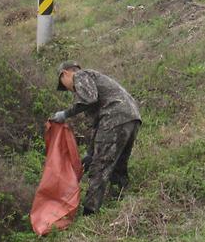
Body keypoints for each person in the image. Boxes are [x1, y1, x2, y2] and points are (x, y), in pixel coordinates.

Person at [51, 61, 141, 215]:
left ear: (65, 74)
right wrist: (90, 152)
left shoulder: (80, 75)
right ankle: (120, 201)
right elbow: (97, 124)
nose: (69, 90)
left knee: (99, 166)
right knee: (118, 163)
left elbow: (89, 100)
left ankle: (90, 212)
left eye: (63, 85)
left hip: (114, 117)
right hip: (131, 118)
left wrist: (65, 114)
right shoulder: (95, 80)